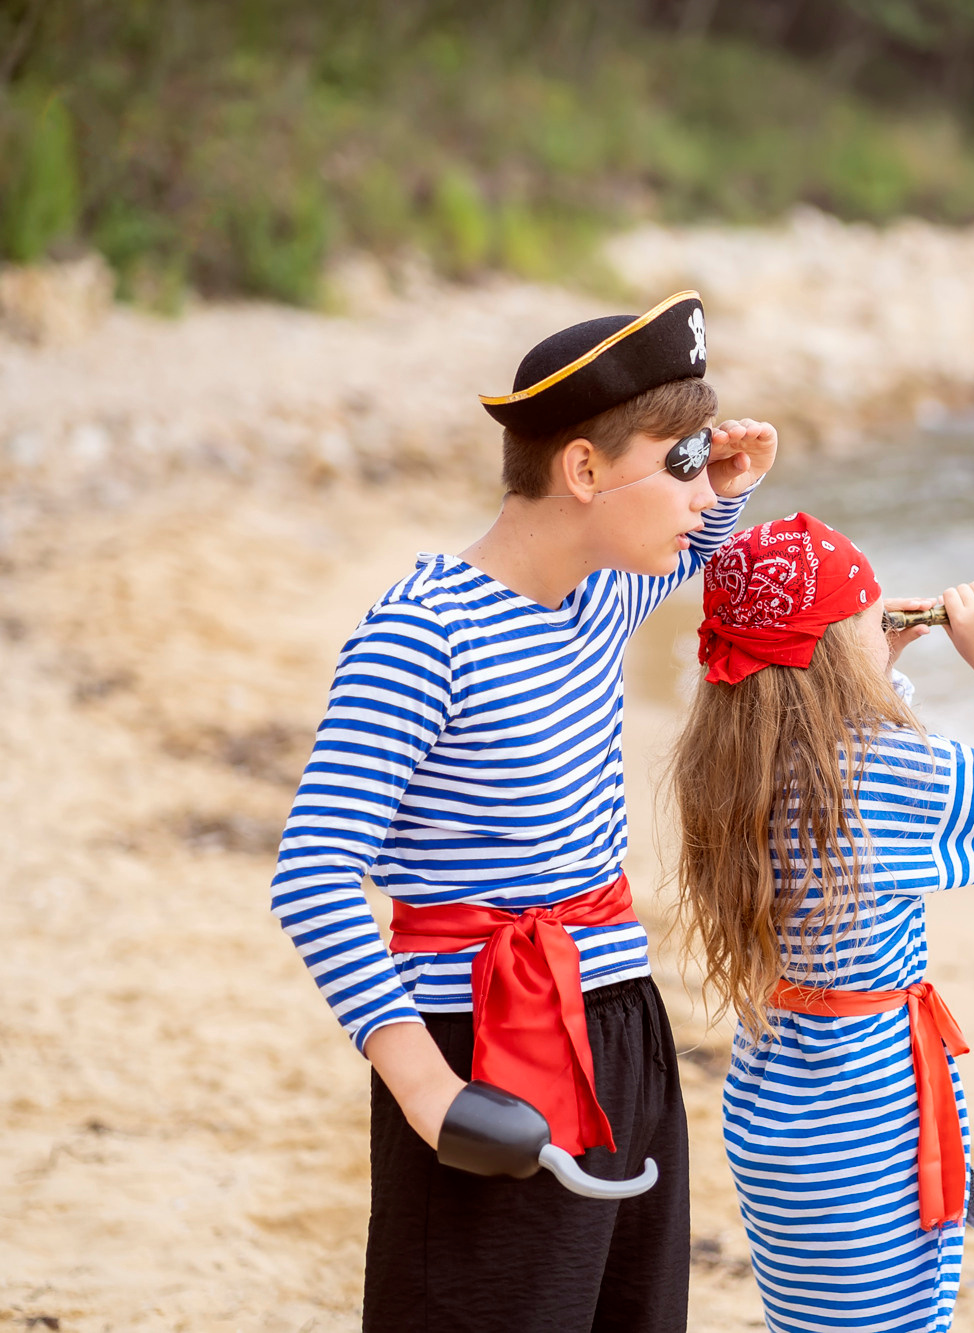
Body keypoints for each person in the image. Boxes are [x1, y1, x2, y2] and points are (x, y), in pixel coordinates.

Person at [269, 291, 773, 1332]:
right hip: (481, 1042)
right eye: (675, 460)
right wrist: (424, 1090)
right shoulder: (421, 635)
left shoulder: (597, 593)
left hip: (620, 1017)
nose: (696, 493)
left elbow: (684, 550)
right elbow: (313, 870)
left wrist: (715, 486)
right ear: (582, 470)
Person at [670, 512, 974, 1333]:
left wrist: (867, 669)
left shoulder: (733, 755)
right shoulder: (877, 768)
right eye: (867, 617)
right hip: (871, 1108)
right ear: (839, 648)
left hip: (778, 1098)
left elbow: (843, 744)